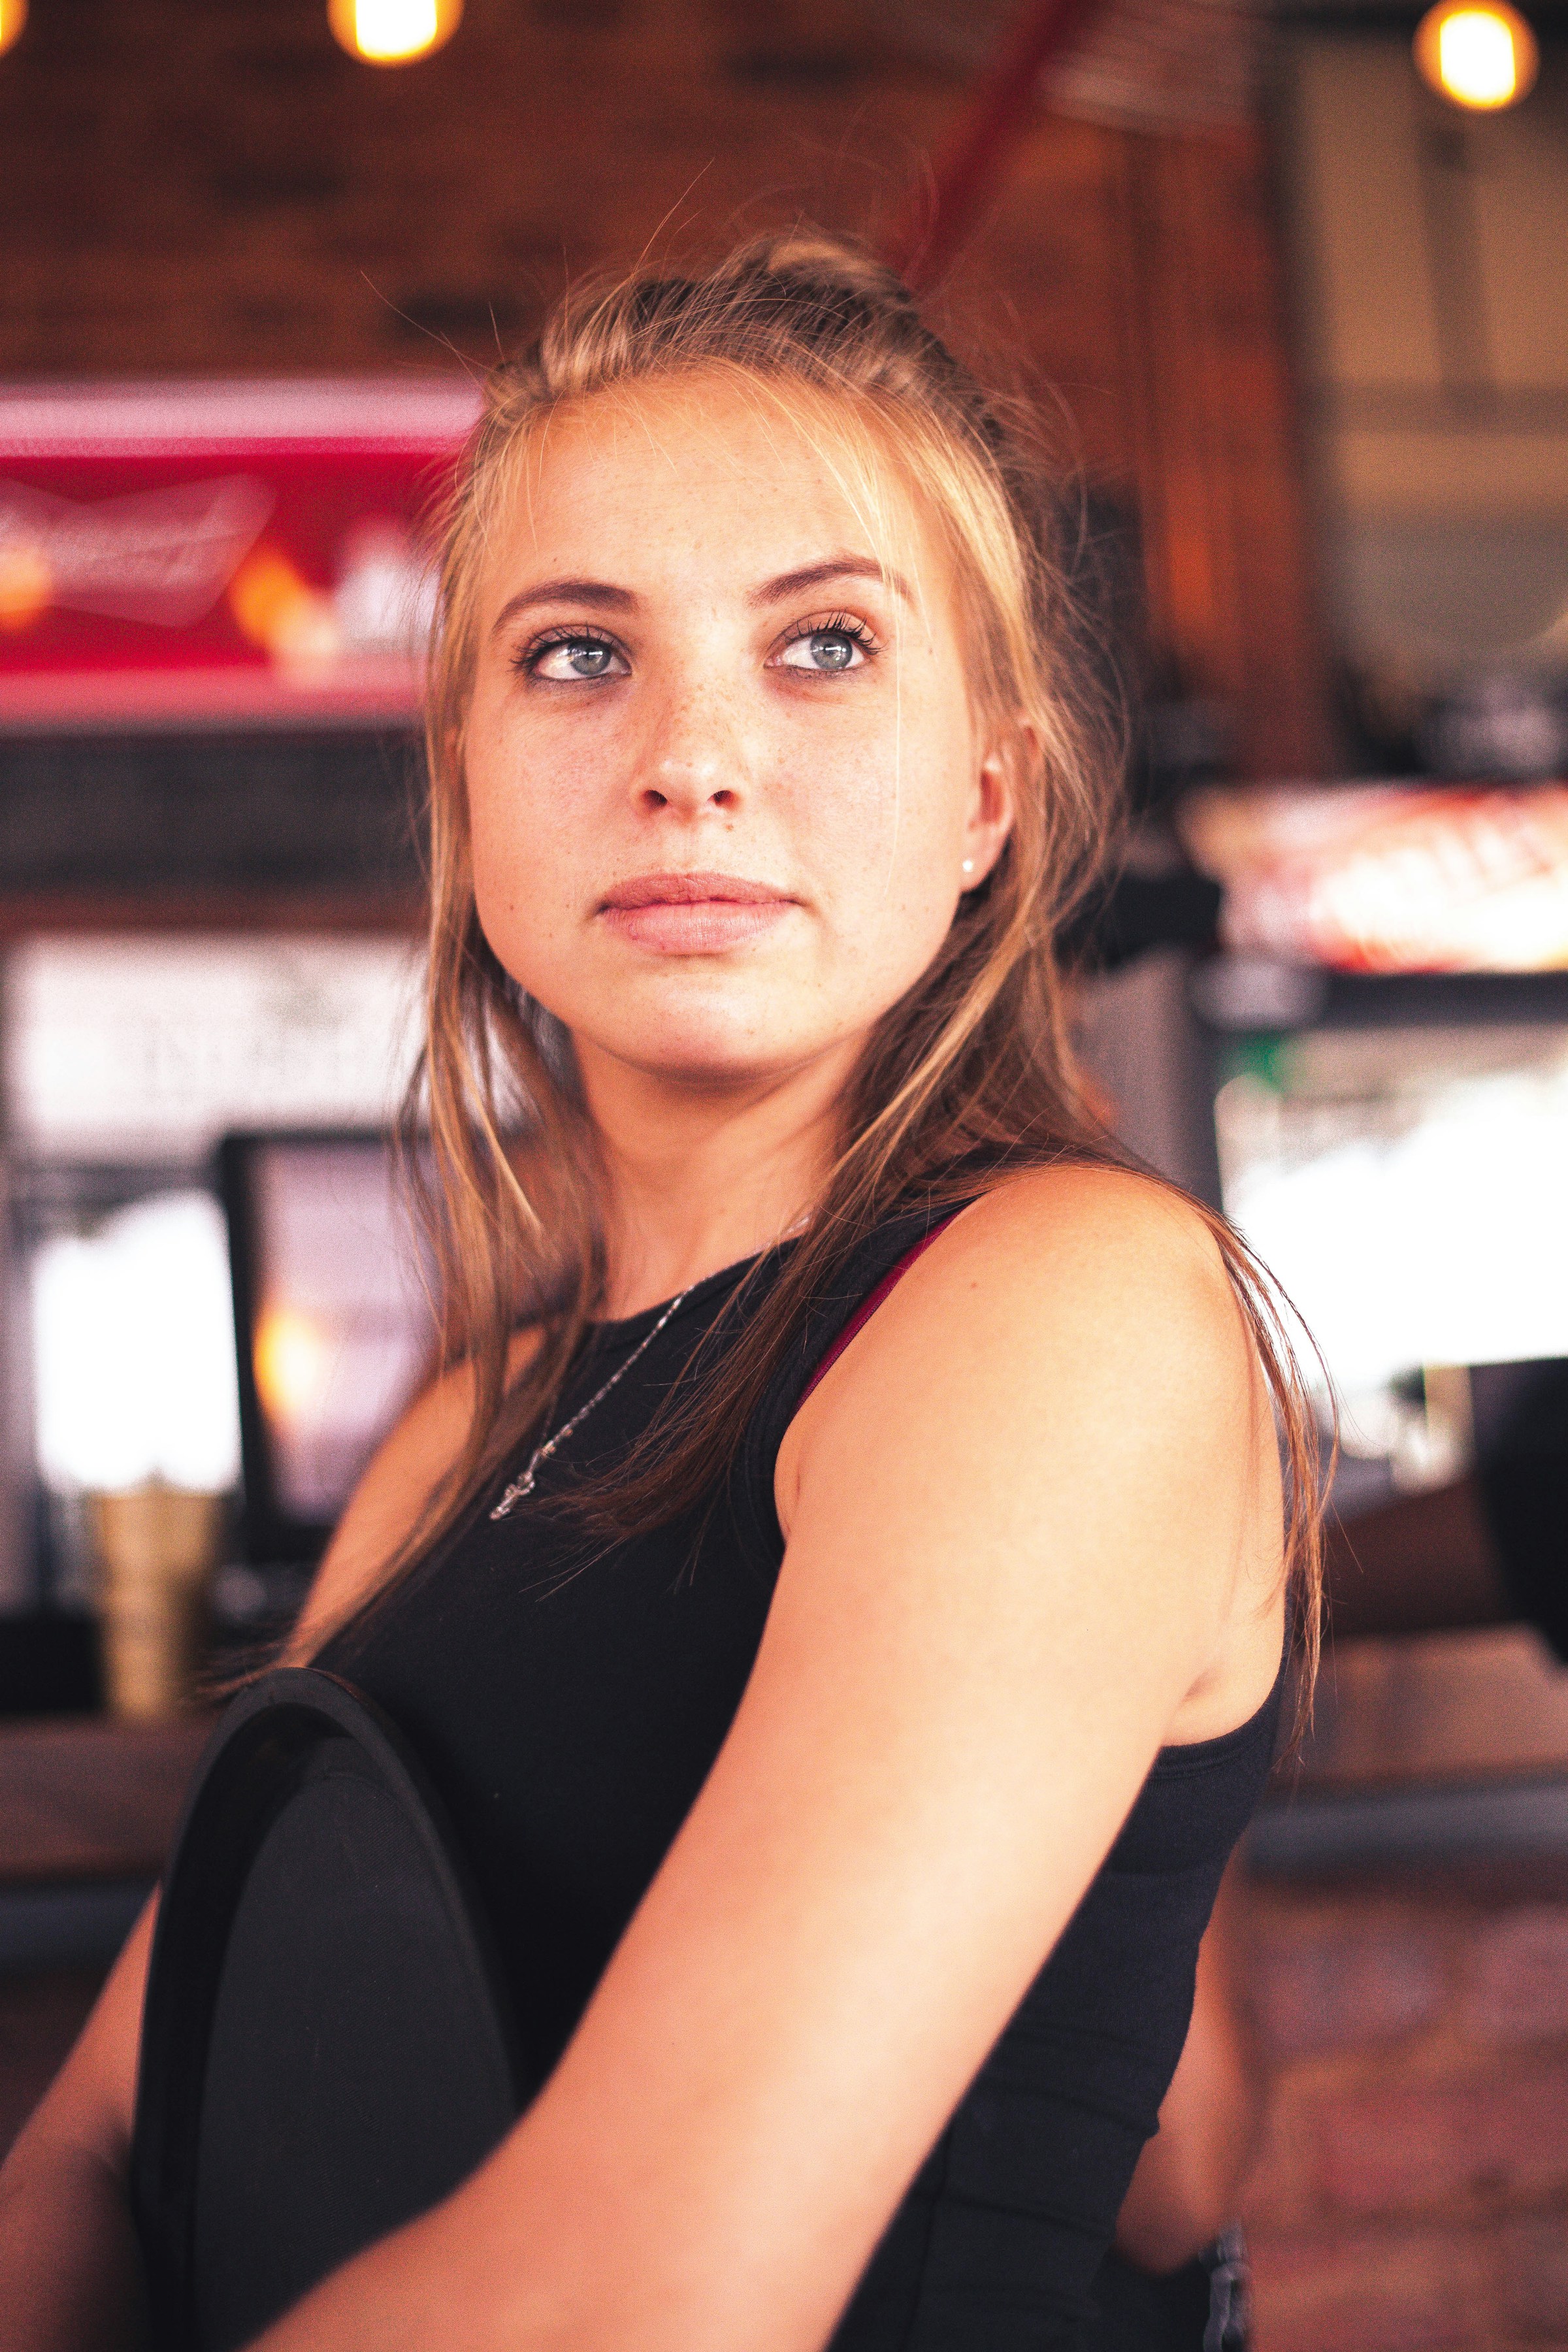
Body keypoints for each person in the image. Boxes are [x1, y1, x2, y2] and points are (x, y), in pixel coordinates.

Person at [0, 235, 1320, 2352]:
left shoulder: (1060, 1311)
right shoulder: (467, 1422)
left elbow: (632, 2306)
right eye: (577, 657)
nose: (692, 755)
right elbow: (91, 2146)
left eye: (821, 648)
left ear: (988, 792)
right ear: (465, 789)